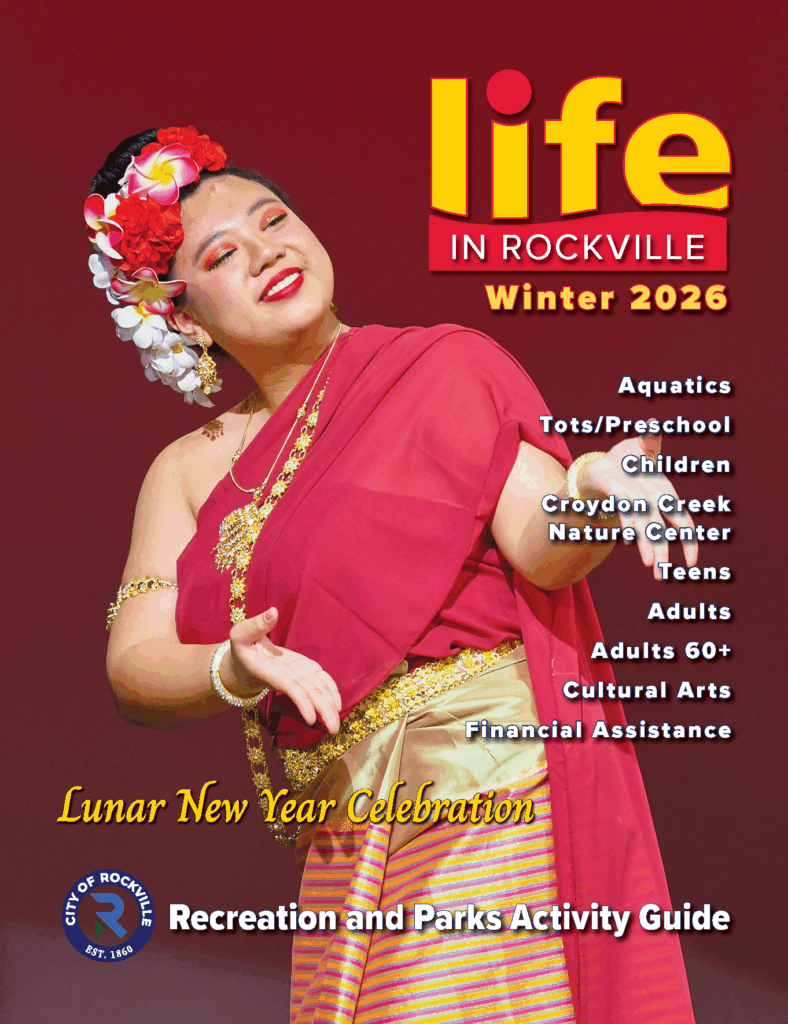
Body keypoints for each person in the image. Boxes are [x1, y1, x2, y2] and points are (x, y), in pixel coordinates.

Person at [92, 127, 697, 1024]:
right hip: (350, 846)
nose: (269, 252)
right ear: (180, 314)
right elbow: (134, 665)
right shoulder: (185, 470)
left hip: (493, 806)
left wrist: (594, 489)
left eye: (276, 220)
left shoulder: (443, 365)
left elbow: (540, 546)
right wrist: (228, 666)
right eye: (224, 253)